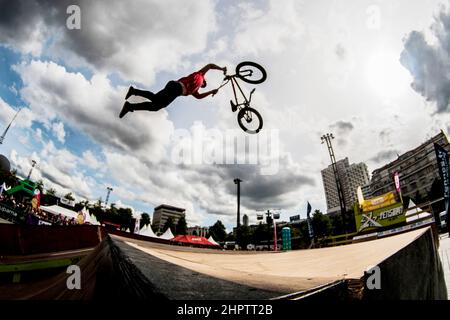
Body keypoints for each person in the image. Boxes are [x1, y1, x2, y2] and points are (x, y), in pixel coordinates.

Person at [119, 63, 227, 118]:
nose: (203, 84)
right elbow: (210, 65)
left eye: (203, 85)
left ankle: (131, 101)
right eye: (204, 83)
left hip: (175, 89)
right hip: (176, 87)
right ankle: (131, 102)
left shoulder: (194, 91)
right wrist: (221, 69)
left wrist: (211, 92)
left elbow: (199, 97)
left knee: (156, 102)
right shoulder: (200, 74)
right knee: (156, 103)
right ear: (204, 81)